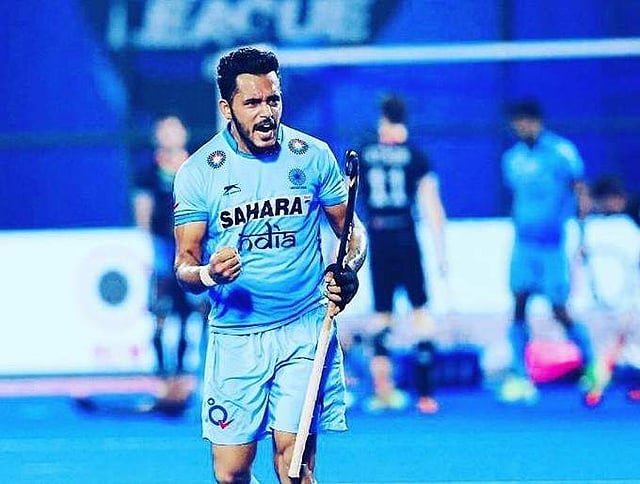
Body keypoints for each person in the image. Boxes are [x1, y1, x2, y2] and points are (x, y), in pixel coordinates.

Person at [172, 47, 367, 484]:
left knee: (293, 467)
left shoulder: (311, 155)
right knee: (230, 474)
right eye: (253, 103)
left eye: (273, 100)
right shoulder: (199, 172)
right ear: (227, 108)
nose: (267, 113)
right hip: (237, 338)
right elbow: (185, 263)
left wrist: (349, 269)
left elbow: (351, 231)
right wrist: (208, 274)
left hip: (304, 329)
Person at [499, 98, 602, 405]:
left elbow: (580, 193)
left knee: (559, 308)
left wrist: (583, 236)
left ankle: (591, 366)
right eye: (517, 122)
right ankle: (520, 375)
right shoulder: (512, 159)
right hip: (523, 245)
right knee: (519, 303)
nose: (522, 127)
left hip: (552, 245)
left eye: (526, 121)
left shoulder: (561, 152)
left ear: (537, 121)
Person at [357, 95, 448, 414]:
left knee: (381, 315)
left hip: (378, 236)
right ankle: (426, 395)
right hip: (406, 235)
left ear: (381, 116)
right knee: (420, 312)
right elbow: (431, 204)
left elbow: (345, 198)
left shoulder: (365, 151)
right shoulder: (415, 154)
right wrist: (441, 253)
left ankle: (383, 391)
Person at [132, 115, 209, 408]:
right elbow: (143, 214)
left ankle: (193, 380)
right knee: (161, 314)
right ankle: (164, 380)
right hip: (164, 249)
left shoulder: (198, 168)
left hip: (194, 247)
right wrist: (149, 251)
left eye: (174, 130)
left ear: (184, 133)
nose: (170, 136)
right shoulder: (149, 173)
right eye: (164, 131)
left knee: (196, 313)